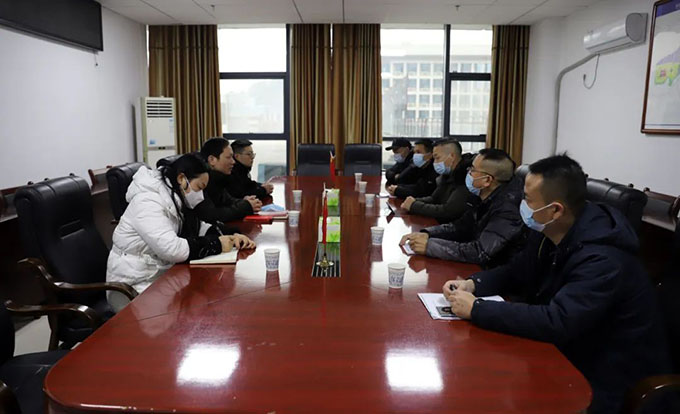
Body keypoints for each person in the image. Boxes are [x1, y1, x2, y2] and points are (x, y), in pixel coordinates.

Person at [443, 154, 671, 414]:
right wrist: (473, 284)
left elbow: (559, 320)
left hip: (609, 377)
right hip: (566, 351)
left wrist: (477, 309)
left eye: (527, 198)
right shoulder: (550, 230)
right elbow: (516, 271)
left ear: (555, 209)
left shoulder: (604, 258)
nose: (520, 203)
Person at [106, 153, 256, 311]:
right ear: (182, 179)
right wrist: (216, 244)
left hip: (159, 276)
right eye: (199, 187)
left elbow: (195, 227)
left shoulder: (172, 195)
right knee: (193, 310)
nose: (201, 196)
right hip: (134, 286)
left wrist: (228, 236)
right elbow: (172, 249)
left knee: (205, 300)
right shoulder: (147, 202)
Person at [400, 148, 525, 269]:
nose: (468, 172)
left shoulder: (508, 209)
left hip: (495, 274)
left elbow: (479, 252)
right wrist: (426, 234)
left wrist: (430, 246)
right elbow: (460, 227)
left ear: (487, 180)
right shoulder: (481, 196)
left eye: (473, 170)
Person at [400, 139, 472, 223]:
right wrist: (413, 201)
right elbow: (434, 198)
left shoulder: (464, 177)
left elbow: (448, 211)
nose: (435, 162)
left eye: (437, 158)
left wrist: (414, 206)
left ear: (452, 156)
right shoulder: (447, 174)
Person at [196, 137, 262, 223]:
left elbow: (228, 200)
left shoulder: (219, 178)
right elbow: (212, 215)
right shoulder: (199, 180)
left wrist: (245, 202)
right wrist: (246, 206)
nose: (233, 162)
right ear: (212, 160)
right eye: (228, 157)